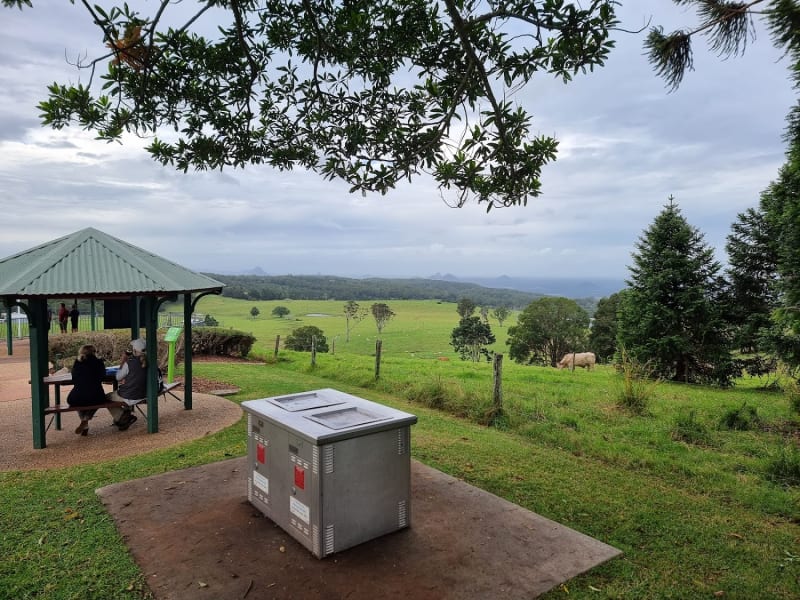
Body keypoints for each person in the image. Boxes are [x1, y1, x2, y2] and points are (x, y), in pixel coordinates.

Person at [106, 338, 147, 430]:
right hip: (145, 393)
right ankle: (124, 416)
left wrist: (123, 361)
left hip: (131, 395)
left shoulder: (129, 363)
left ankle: (122, 417)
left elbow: (118, 377)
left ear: (134, 350)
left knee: (106, 398)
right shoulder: (150, 361)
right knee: (124, 391)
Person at [66, 344, 107, 436]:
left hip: (76, 397)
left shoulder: (77, 362)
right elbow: (103, 377)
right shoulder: (98, 362)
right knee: (99, 400)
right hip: (96, 396)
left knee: (81, 400)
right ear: (94, 352)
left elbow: (74, 379)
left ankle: (84, 423)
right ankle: (86, 419)